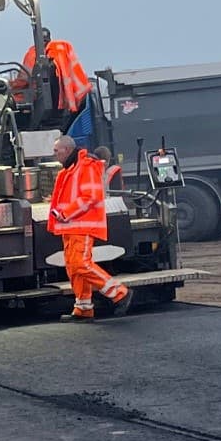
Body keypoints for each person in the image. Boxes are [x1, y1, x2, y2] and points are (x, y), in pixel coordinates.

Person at [49, 134, 131, 321]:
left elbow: (90, 196)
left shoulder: (86, 166)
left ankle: (120, 293)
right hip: (71, 226)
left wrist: (65, 213)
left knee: (81, 264)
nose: (54, 154)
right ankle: (83, 308)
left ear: (67, 150)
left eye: (56, 150)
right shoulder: (70, 169)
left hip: (81, 225)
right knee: (74, 267)